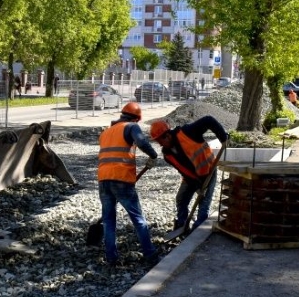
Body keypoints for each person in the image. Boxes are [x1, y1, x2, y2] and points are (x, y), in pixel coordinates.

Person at [98, 102, 160, 267]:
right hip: (122, 180)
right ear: (136, 118)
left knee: (109, 220)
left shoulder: (105, 133)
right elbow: (141, 143)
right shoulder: (131, 126)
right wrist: (153, 155)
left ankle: (111, 258)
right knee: (138, 218)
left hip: (103, 180)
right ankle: (150, 254)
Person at [149, 117, 228, 232]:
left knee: (204, 203)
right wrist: (197, 186)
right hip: (191, 178)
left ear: (167, 135)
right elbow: (184, 171)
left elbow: (209, 120)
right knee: (181, 199)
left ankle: (198, 230)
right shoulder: (167, 155)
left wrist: (223, 137)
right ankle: (182, 225)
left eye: (161, 141)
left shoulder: (187, 132)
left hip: (209, 170)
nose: (160, 144)